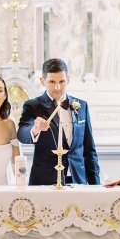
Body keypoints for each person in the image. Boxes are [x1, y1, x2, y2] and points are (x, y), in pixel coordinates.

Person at [17, 58, 100, 186]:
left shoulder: (82, 106)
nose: (57, 87)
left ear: (68, 79)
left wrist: (96, 186)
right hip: (45, 181)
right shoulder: (33, 106)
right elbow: (22, 133)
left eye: (62, 81)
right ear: (42, 81)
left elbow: (89, 150)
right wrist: (35, 129)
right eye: (52, 82)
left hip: (78, 180)